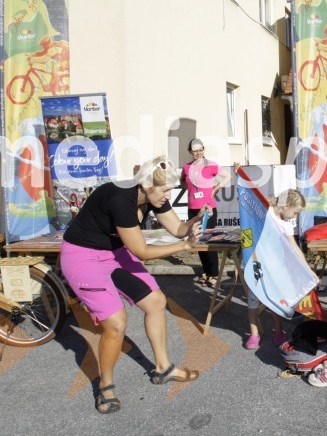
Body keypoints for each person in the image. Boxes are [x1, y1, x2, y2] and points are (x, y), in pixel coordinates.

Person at [59, 156, 203, 414]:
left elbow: (177, 228)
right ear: (147, 185)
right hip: (83, 256)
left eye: (171, 189)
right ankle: (105, 386)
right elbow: (142, 251)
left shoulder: (152, 196)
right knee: (116, 323)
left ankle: (163, 368)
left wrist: (194, 222)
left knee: (156, 302)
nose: (168, 195)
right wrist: (185, 246)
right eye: (166, 190)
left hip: (114, 253)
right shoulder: (120, 198)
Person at [244, 189, 307, 350]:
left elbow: (294, 247)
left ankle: (278, 331)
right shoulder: (266, 212)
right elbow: (249, 225)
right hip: (256, 264)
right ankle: (254, 333)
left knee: (274, 300)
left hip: (274, 268)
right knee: (253, 301)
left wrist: (308, 269)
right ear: (285, 206)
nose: (295, 217)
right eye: (295, 212)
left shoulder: (286, 225)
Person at [179, 138, 233, 288]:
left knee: (208, 241)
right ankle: (206, 271)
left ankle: (214, 273)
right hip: (193, 209)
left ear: (203, 150)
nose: (198, 153)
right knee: (197, 240)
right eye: (195, 151)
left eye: (200, 150)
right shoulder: (186, 167)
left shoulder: (211, 165)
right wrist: (189, 190)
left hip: (209, 209)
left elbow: (228, 176)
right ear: (190, 152)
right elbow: (182, 181)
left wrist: (216, 188)